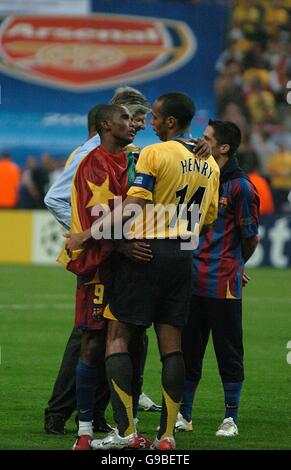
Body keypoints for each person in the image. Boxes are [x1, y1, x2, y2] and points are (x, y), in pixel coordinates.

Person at [68, 92, 220, 450]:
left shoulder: (154, 153)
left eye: (153, 118)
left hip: (146, 252)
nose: (146, 124)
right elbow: (208, 220)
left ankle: (125, 432)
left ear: (169, 122)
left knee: (117, 338)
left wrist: (86, 234)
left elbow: (133, 206)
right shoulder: (210, 164)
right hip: (183, 255)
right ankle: (166, 437)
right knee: (172, 348)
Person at [44, 87, 160, 436]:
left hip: (113, 251)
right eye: (133, 119)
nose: (138, 126)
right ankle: (62, 414)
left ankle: (99, 413)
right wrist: (87, 235)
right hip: (97, 255)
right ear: (108, 123)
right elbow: (56, 198)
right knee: (88, 338)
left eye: (140, 120)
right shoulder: (88, 156)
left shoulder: (125, 154)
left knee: (115, 335)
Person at [176, 120, 260, 437]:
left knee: (228, 351)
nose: (201, 140)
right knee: (188, 351)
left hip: (222, 281)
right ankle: (184, 414)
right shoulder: (198, 174)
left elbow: (250, 237)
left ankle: (230, 418)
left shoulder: (240, 187)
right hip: (190, 279)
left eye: (208, 138)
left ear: (223, 148)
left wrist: (236, 264)